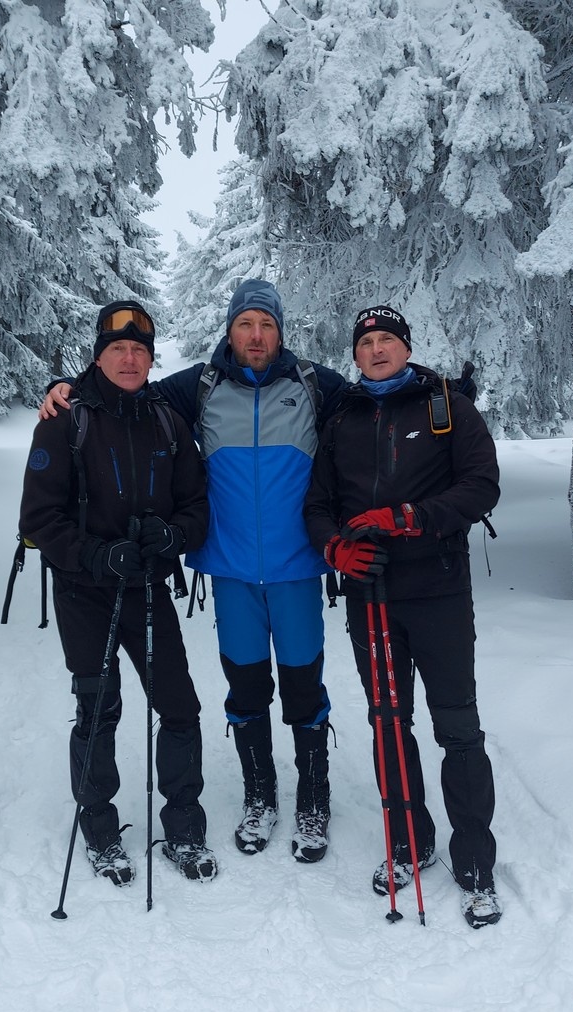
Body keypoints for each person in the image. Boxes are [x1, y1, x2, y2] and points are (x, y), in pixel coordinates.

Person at [41, 281, 348, 862]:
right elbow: (121, 392)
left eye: (267, 325)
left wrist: (441, 394)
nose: (256, 336)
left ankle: (314, 799)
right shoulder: (199, 387)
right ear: (229, 331)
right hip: (231, 571)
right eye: (245, 324)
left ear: (280, 332)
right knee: (247, 688)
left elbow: (377, 404)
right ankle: (260, 795)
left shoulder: (314, 385)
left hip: (297, 570)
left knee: (305, 689)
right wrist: (64, 389)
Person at [303, 305, 503, 928]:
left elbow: (481, 485)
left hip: (438, 590)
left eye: (388, 339)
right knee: (389, 723)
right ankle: (408, 843)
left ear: (407, 348)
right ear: (355, 356)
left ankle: (475, 862)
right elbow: (317, 505)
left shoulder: (447, 406)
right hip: (371, 593)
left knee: (458, 727)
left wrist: (410, 517)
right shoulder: (341, 418)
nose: (377, 349)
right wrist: (335, 548)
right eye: (366, 342)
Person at [19, 301, 217, 883]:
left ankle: (184, 826)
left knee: (179, 708)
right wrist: (95, 555)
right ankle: (100, 829)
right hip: (85, 592)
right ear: (98, 357)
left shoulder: (167, 421)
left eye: (139, 351)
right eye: (117, 350)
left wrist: (173, 536)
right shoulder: (65, 420)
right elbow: (39, 518)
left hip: (148, 590)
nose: (129, 360)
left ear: (150, 360)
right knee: (98, 709)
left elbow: (197, 506)